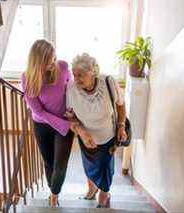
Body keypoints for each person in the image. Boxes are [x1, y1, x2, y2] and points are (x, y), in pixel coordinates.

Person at [21, 39, 80, 207]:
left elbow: (72, 89)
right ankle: (52, 189)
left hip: (64, 122)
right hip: (42, 125)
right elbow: (38, 111)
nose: (53, 63)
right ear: (37, 62)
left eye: (54, 58)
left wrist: (71, 117)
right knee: (49, 163)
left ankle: (54, 195)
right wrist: (64, 125)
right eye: (49, 61)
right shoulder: (27, 78)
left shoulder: (62, 66)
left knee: (60, 165)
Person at [66, 53, 128, 208]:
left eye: (81, 75)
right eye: (74, 74)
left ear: (92, 72)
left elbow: (121, 104)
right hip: (86, 136)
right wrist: (81, 131)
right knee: (90, 165)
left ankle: (105, 192)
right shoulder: (71, 88)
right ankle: (92, 188)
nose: (76, 78)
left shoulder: (108, 82)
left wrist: (121, 125)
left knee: (105, 167)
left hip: (108, 136)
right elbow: (70, 114)